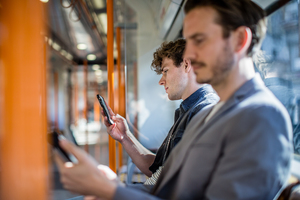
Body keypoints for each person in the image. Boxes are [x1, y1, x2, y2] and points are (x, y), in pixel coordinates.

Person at [55, 0, 293, 199]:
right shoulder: (215, 112)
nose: (188, 55)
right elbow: (166, 182)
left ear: (240, 40)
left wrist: (110, 190)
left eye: (199, 40)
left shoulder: (260, 117)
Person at [101, 39, 219, 185]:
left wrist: (116, 191)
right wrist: (124, 136)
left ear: (187, 65)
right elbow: (156, 168)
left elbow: (177, 183)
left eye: (165, 71)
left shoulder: (204, 112)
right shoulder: (186, 111)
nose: (161, 81)